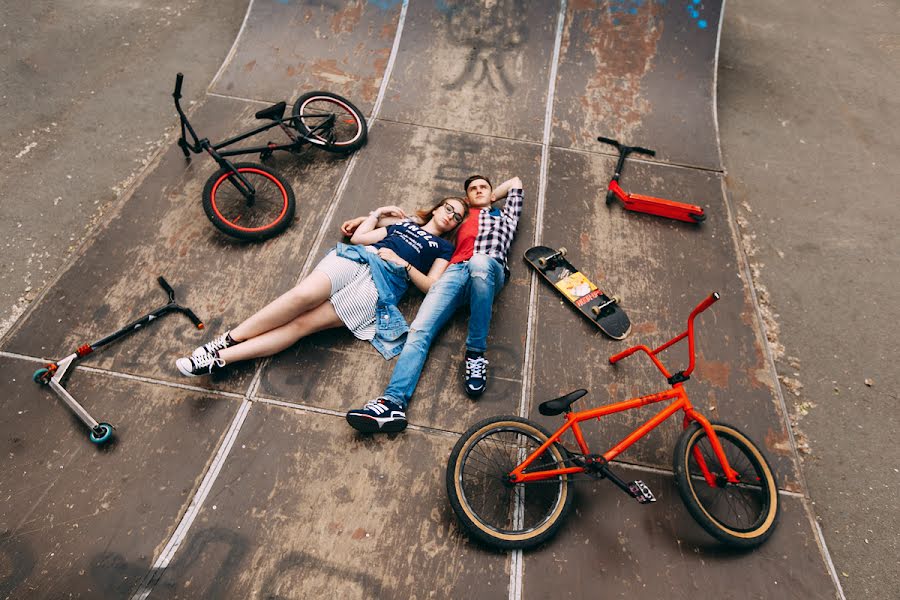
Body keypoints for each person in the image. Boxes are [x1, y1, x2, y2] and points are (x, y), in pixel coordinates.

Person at [175, 197, 468, 376]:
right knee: (301, 295)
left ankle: (218, 360)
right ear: (437, 206)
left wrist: (402, 263)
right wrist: (377, 213)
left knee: (303, 325)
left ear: (456, 225)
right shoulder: (403, 224)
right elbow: (358, 239)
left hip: (382, 286)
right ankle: (224, 340)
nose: (450, 215)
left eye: (456, 216)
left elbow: (430, 285)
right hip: (357, 259)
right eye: (448, 208)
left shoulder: (442, 248)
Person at [342, 174, 523, 433]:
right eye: (473, 189)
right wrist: (364, 220)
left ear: (493, 194)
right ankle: (393, 403)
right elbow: (414, 223)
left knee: (480, 263)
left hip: (488, 270)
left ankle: (475, 352)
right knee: (419, 331)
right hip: (454, 274)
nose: (479, 190)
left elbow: (515, 182)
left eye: (484, 187)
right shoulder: (459, 219)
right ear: (466, 199)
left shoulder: (506, 217)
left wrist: (489, 196)